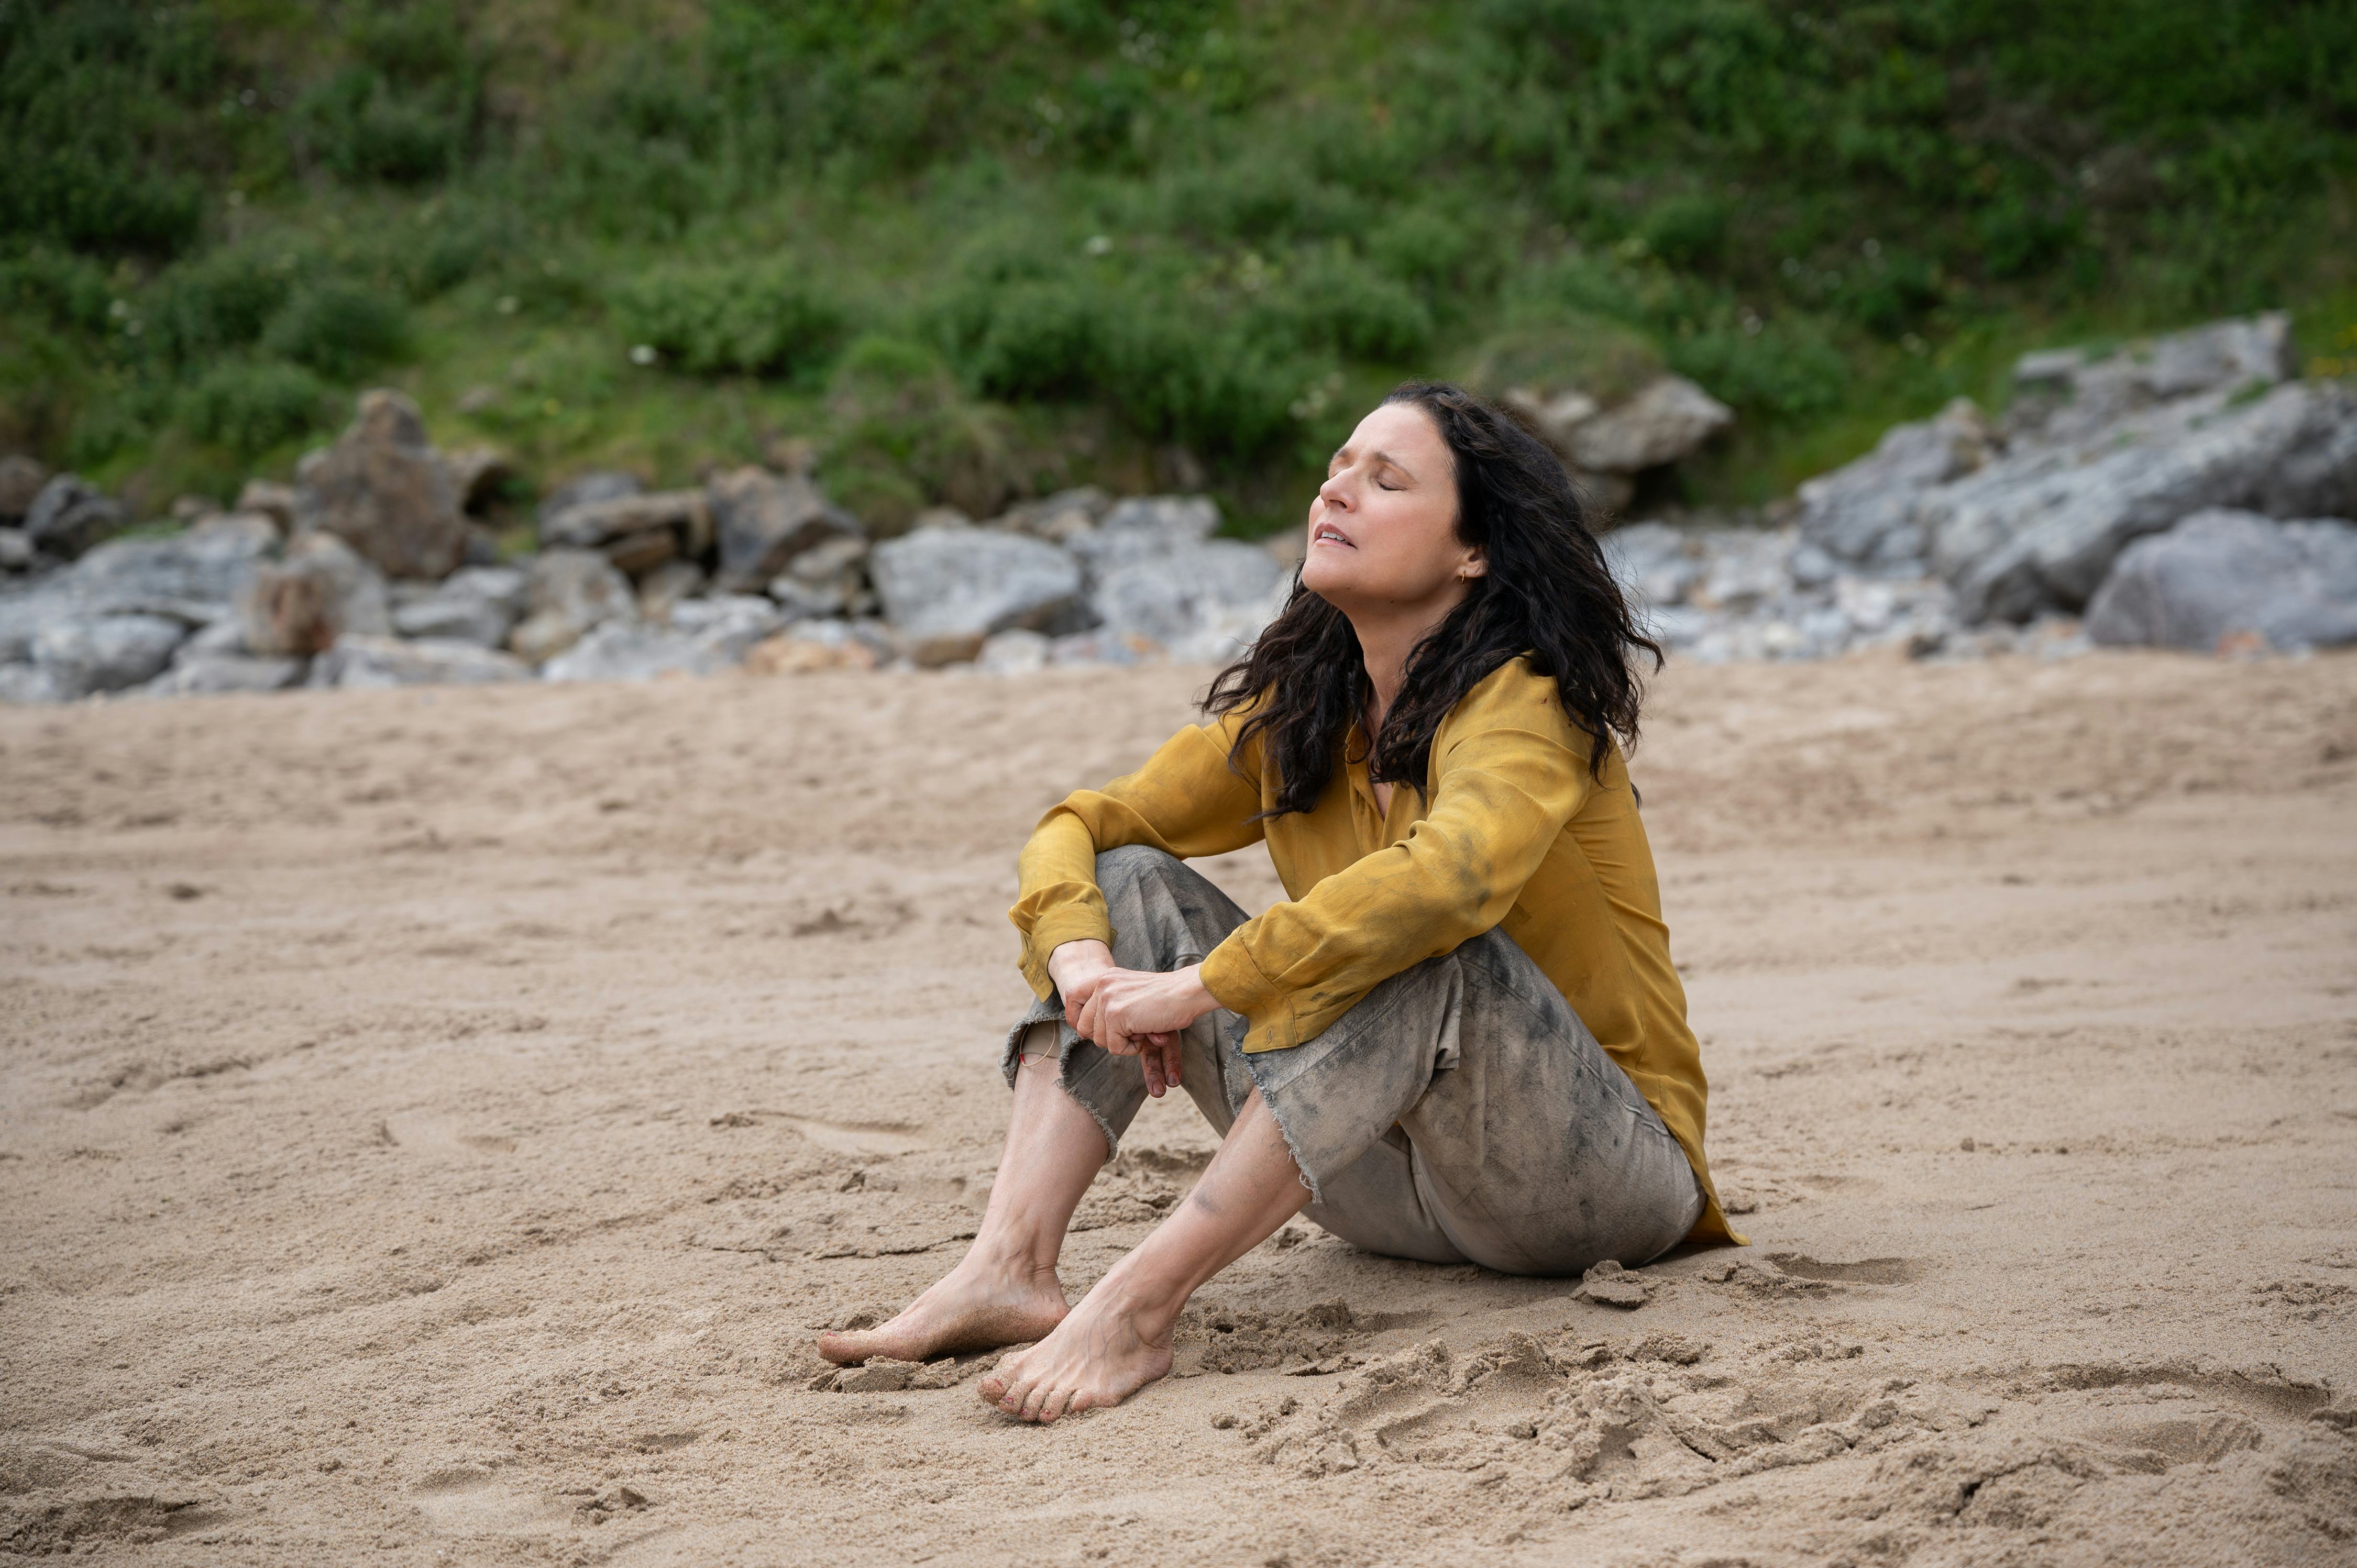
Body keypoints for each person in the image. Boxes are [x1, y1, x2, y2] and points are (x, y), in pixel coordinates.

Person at [819, 381, 1742, 1422]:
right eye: (1336, 470)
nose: (1336, 493)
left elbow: (1450, 882)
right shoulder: (1305, 710)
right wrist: (1083, 961)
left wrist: (1201, 988)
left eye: (1384, 480)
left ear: (1472, 550)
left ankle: (1136, 1308)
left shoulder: (1528, 703)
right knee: (1124, 880)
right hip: (1383, 1184)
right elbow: (1081, 823)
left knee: (1422, 940)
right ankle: (1009, 1267)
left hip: (1596, 1184)